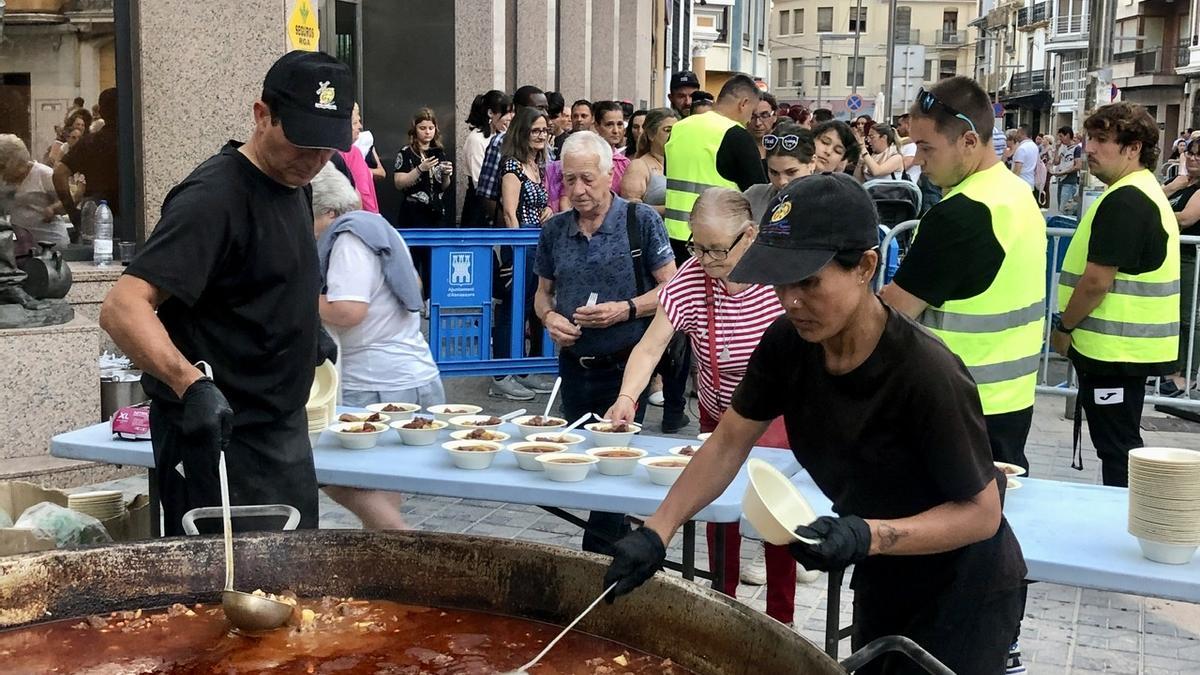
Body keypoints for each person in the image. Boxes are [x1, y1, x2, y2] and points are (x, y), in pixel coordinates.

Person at [604, 172, 1026, 674]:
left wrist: (867, 535)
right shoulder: (787, 344)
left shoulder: (926, 373)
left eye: (809, 281)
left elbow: (982, 514)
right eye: (781, 280)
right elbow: (727, 444)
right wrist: (658, 529)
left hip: (967, 583)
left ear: (864, 266)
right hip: (884, 572)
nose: (790, 301)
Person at [97, 51, 352, 535]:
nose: (316, 161)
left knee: (295, 593)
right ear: (261, 115)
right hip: (218, 439)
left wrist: (302, 327)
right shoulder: (213, 198)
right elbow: (122, 307)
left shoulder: (295, 184)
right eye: (302, 142)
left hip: (282, 431)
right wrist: (189, 385)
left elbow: (257, 277)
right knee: (226, 601)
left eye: (328, 148)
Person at [602, 187, 799, 622]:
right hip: (716, 411)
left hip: (775, 414)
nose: (706, 261)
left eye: (716, 250)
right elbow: (652, 344)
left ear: (749, 235)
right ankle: (720, 605)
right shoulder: (691, 279)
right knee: (715, 509)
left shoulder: (779, 277)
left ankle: (781, 617)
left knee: (774, 520)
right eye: (697, 247)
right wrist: (627, 397)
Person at [534, 130, 677, 554]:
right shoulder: (556, 230)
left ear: (609, 175)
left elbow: (671, 290)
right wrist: (550, 318)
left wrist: (626, 309)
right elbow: (542, 293)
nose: (578, 190)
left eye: (587, 179)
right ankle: (619, 564)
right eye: (569, 179)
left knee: (611, 477)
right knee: (582, 470)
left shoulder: (639, 220)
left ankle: (602, 566)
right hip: (575, 369)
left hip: (626, 368)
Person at [1052, 102, 1180, 488]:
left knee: (1117, 449)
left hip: (1115, 354)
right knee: (1117, 445)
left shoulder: (1126, 199)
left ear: (1133, 147)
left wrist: (1064, 326)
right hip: (1121, 352)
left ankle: (1127, 527)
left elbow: (1096, 281)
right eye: (1090, 137)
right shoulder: (1135, 192)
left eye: (1102, 139)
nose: (1089, 148)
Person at [311, 163, 443, 530]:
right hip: (409, 371)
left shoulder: (348, 238)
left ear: (331, 212)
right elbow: (414, 284)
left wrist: (295, 297)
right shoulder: (380, 227)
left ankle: (405, 545)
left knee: (329, 471)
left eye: (310, 220)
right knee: (382, 482)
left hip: (375, 380)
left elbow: (348, 310)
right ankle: (386, 558)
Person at [664, 73, 766, 261]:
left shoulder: (679, 128)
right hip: (716, 243)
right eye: (751, 113)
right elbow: (759, 192)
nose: (749, 120)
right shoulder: (736, 134)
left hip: (673, 239)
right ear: (743, 103)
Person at [490, 108, 554, 401]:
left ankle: (525, 368)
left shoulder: (536, 165)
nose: (541, 135)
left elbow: (541, 203)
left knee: (531, 306)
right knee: (510, 308)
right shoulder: (512, 166)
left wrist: (548, 210)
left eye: (544, 130)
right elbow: (509, 211)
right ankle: (502, 374)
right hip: (519, 246)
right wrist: (515, 251)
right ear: (523, 132)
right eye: (536, 130)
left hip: (538, 245)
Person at [1162, 137, 1200, 398]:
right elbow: (1148, 199)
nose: (1193, 158)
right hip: (1174, 258)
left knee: (1189, 318)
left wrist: (1160, 213)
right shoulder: (1182, 184)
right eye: (1191, 153)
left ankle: (1186, 375)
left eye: (1199, 155)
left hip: (1191, 259)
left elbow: (1186, 219)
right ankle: (1173, 369)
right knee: (1175, 316)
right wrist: (1171, 187)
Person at [476, 86, 549, 221]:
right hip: (515, 232)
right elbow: (487, 194)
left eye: (546, 108)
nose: (544, 113)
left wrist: (549, 209)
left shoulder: (544, 147)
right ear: (519, 110)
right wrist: (508, 230)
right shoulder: (501, 144)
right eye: (538, 108)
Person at [55, 88, 118, 241]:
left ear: (101, 112)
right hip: (131, 216)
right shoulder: (136, 141)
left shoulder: (90, 142)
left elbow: (59, 174)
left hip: (95, 213)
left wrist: (72, 211)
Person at [0, 134, 68, 250]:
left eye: (3, 167)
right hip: (22, 247)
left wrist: (52, 209)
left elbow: (67, 202)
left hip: (50, 245)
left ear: (14, 162)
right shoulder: (5, 179)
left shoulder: (44, 174)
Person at [743, 123, 816, 223]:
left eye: (791, 172)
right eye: (774, 172)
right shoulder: (754, 196)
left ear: (812, 163)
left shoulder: (830, 201)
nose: (782, 181)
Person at [394, 107, 452, 229]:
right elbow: (399, 183)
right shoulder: (406, 153)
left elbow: (443, 186)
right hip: (413, 212)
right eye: (422, 128)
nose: (427, 132)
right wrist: (420, 169)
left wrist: (446, 174)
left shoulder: (439, 152)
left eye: (431, 128)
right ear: (415, 129)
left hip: (436, 211)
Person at [462, 90, 512, 226]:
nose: (509, 118)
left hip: (499, 201)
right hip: (480, 206)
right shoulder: (476, 139)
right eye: (506, 113)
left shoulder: (501, 136)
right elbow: (479, 180)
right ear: (491, 113)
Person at [619, 108, 676, 216]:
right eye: (668, 130)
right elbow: (630, 209)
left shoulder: (681, 164)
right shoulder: (639, 166)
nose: (673, 135)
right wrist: (671, 210)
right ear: (651, 134)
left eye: (677, 130)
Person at [340, 103, 378, 214]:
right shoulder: (352, 152)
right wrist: (373, 219)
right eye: (355, 123)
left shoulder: (325, 152)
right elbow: (363, 193)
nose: (360, 126)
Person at [1052, 126, 1083, 216]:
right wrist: (1057, 149)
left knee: (1065, 209)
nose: (1060, 139)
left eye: (1061, 136)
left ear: (1068, 135)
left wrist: (1064, 172)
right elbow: (1056, 162)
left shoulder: (1077, 149)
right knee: (1060, 208)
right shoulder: (1063, 148)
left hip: (1069, 182)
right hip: (1061, 180)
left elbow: (1078, 165)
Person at [748, 92, 778, 169]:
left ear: (774, 116)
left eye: (764, 115)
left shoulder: (785, 146)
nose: (758, 123)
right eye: (752, 117)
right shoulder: (736, 146)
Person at [1010, 125, 1038, 193]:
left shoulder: (1022, 149)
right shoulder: (1034, 146)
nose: (1016, 135)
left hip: (1020, 184)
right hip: (1030, 181)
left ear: (1022, 133)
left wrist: (1011, 184)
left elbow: (1017, 169)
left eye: (1017, 132)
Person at [546, 91, 568, 160]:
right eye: (546, 117)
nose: (549, 122)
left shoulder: (569, 142)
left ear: (562, 114)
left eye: (554, 117)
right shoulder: (535, 141)